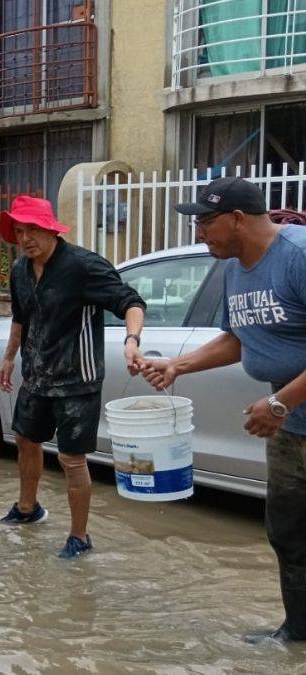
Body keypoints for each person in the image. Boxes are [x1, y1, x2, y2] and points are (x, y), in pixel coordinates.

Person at [141, 177, 306, 644]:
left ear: (237, 219)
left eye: (205, 222)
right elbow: (239, 338)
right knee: (288, 533)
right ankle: (295, 634)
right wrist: (178, 364)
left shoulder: (298, 256)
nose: (199, 233)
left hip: (286, 409)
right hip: (292, 427)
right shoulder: (236, 267)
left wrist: (279, 402)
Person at [0, 195, 146, 559]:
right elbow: (20, 317)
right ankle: (29, 508)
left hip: (78, 379)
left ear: (50, 229)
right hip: (36, 375)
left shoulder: (83, 266)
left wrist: (132, 340)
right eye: (19, 231)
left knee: (71, 459)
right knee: (25, 440)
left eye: (32, 229)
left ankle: (80, 536)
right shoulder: (20, 270)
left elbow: (132, 302)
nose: (25, 238)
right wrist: (9, 358)